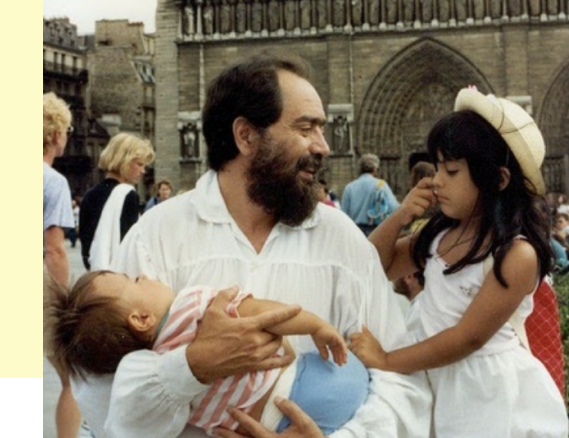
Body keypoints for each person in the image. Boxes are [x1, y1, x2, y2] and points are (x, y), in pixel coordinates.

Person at [72, 54, 431, 438]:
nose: (324, 146)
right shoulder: (156, 235)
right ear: (245, 136)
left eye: (321, 129)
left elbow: (403, 384)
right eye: (306, 128)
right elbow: (103, 405)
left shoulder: (339, 237)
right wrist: (191, 367)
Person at [351, 87, 568, 438]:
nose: (436, 180)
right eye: (437, 167)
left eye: (451, 170)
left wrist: (387, 360)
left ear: (498, 179)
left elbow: (467, 338)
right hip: (429, 370)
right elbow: (373, 265)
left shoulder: (515, 254)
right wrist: (401, 214)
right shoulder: (440, 235)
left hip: (482, 392)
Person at [47, 270, 368, 436]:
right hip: (312, 389)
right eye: (133, 280)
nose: (143, 275)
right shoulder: (192, 306)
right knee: (359, 365)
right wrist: (315, 325)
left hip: (268, 426)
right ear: (141, 318)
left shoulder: (149, 371)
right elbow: (265, 313)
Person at [43, 92, 82, 438]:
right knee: (70, 376)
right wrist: (63, 299)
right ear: (55, 134)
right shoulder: (52, 181)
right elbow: (54, 249)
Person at [79, 133, 154, 270]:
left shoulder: (90, 195)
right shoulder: (127, 194)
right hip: (118, 276)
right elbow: (128, 248)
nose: (143, 171)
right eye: (140, 164)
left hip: (93, 275)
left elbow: (86, 245)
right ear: (124, 161)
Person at [341, 153, 399, 236]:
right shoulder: (380, 184)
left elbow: (343, 214)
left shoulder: (349, 187)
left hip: (355, 231)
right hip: (375, 230)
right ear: (375, 169)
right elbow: (394, 207)